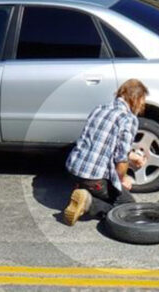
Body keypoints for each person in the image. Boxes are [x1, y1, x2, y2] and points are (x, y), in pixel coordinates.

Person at [63, 79, 150, 226]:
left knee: (103, 188)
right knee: (127, 207)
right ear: (136, 99)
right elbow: (121, 159)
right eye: (143, 101)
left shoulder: (99, 109)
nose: (142, 106)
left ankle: (83, 188)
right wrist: (122, 181)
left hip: (73, 169)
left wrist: (133, 156)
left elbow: (103, 145)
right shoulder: (128, 119)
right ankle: (89, 203)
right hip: (93, 178)